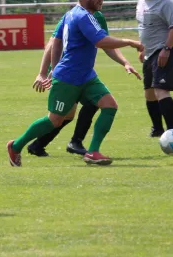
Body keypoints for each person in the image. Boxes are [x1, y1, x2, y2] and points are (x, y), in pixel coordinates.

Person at [6, 0, 143, 167]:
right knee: (54, 120)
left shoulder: (75, 15)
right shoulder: (81, 16)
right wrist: (130, 41)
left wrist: (125, 63)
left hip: (86, 76)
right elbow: (97, 41)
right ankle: (16, 145)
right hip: (69, 77)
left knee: (109, 105)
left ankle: (93, 152)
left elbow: (77, 42)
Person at [27, 11, 142, 157]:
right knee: (65, 115)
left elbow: (106, 43)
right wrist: (43, 72)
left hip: (79, 72)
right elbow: (53, 42)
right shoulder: (73, 15)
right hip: (65, 72)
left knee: (79, 109)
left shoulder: (98, 16)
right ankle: (34, 144)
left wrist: (125, 62)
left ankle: (43, 144)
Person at [135, 0, 173, 137]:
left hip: (165, 51)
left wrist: (167, 49)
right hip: (149, 52)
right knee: (149, 94)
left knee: (161, 90)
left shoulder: (165, 0)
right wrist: (142, 47)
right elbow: (143, 25)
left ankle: (172, 132)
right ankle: (157, 129)